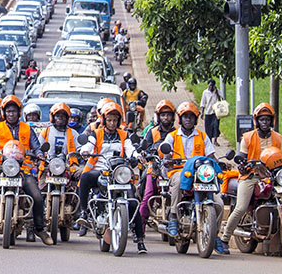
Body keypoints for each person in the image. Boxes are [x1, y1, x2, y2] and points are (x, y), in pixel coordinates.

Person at [76, 102, 146, 253]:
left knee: (133, 201)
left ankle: (140, 240)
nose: (112, 123)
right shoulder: (97, 133)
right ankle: (83, 212)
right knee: (86, 177)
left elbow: (130, 148)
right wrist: (85, 151)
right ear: (104, 120)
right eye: (109, 120)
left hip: (119, 172)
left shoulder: (124, 134)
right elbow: (89, 145)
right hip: (101, 170)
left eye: (115, 120)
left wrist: (137, 156)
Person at [0, 96, 53, 245]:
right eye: (8, 111)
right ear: (4, 112)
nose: (11, 114)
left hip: (23, 167)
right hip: (2, 164)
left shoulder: (27, 128)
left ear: (19, 112)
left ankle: (40, 228)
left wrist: (39, 154)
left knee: (37, 196)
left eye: (14, 111)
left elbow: (36, 146)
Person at [218, 103, 282, 253]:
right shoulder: (248, 137)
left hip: (271, 176)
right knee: (241, 207)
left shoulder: (278, 138)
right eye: (262, 120)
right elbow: (242, 155)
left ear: (272, 121)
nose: (265, 122)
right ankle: (224, 239)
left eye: (267, 119)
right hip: (251, 176)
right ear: (256, 121)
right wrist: (242, 162)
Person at [161, 101, 222, 249]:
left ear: (196, 119)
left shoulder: (202, 136)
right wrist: (169, 161)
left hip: (200, 175)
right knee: (177, 183)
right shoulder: (172, 136)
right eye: (185, 116)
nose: (188, 119)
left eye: (191, 117)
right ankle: (174, 216)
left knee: (219, 204)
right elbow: (165, 157)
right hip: (179, 170)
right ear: (180, 119)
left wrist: (220, 164)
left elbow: (211, 156)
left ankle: (215, 234)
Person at [137, 99, 177, 221]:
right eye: (163, 115)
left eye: (168, 115)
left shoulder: (177, 132)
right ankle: (139, 227)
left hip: (172, 167)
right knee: (148, 193)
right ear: (158, 117)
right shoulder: (152, 131)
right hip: (155, 167)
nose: (166, 118)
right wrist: (146, 153)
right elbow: (146, 147)